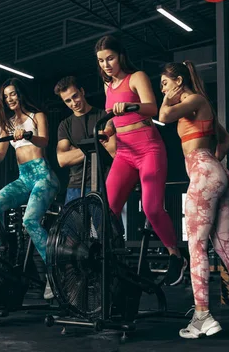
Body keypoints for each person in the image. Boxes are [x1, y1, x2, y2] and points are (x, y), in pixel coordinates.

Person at [158, 61, 229, 341]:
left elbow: (163, 114)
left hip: (204, 172)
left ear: (179, 80)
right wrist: (215, 165)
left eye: (164, 82)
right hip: (215, 172)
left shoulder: (194, 99)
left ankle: (202, 317)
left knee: (196, 246)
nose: (162, 87)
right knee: (224, 246)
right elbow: (227, 140)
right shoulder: (202, 105)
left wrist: (168, 95)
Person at [95, 35, 187, 286]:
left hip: (148, 148)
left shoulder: (136, 77)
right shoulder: (107, 86)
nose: (106, 64)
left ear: (120, 56)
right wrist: (108, 132)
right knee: (108, 209)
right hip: (124, 152)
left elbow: (151, 108)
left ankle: (176, 256)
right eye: (101, 60)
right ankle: (126, 260)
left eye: (110, 58)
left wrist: (130, 106)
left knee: (151, 207)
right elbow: (115, 121)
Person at [0, 78, 60, 299]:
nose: (10, 99)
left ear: (20, 94)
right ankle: (4, 256)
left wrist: (28, 135)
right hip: (24, 178)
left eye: (13, 94)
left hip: (43, 176)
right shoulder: (7, 125)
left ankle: (54, 273)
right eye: (6, 96)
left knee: (29, 220)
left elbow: (44, 141)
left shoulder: (36, 116)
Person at [55, 76, 116, 204]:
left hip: (104, 183)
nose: (73, 103)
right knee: (72, 224)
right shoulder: (65, 125)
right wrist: (96, 145)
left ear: (82, 91)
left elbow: (112, 151)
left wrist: (75, 151)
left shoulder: (104, 117)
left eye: (75, 96)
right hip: (75, 186)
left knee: (105, 224)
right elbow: (62, 159)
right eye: (67, 101)